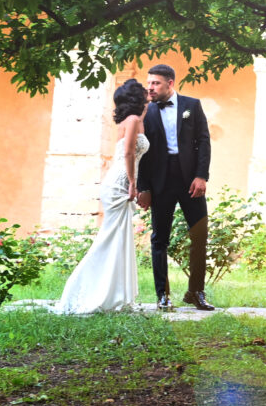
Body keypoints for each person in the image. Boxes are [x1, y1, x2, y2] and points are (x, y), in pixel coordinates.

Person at [56, 79, 149, 314]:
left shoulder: (132, 120)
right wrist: (132, 183)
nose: (148, 94)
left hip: (118, 181)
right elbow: (128, 152)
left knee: (118, 239)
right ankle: (80, 290)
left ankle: (114, 295)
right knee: (109, 238)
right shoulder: (134, 121)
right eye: (144, 93)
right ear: (138, 99)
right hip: (120, 182)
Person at [136, 63, 215, 311]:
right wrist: (143, 187)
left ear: (170, 83)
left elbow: (204, 141)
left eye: (156, 83)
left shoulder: (192, 105)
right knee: (160, 238)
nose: (150, 87)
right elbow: (141, 154)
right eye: (149, 83)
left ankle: (196, 292)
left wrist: (201, 176)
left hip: (190, 179)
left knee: (199, 235)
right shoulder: (145, 111)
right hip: (160, 180)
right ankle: (163, 295)